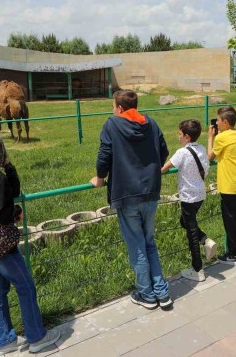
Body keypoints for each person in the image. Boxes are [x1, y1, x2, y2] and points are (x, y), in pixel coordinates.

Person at [0, 130, 60, 354]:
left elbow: (11, 191)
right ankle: (37, 337)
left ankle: (3, 340)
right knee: (26, 286)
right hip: (2, 244)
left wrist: (10, 167)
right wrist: (16, 212)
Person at [90, 90, 172, 310]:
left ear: (119, 108)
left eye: (113, 106)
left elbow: (104, 155)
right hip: (151, 191)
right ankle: (162, 292)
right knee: (149, 242)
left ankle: (146, 294)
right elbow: (163, 152)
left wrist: (99, 179)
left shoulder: (112, 124)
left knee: (137, 245)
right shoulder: (151, 124)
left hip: (126, 194)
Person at [161, 119, 217, 282]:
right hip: (200, 195)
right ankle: (206, 240)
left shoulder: (182, 152)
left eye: (179, 134)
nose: (177, 136)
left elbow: (164, 168)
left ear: (186, 137)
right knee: (185, 221)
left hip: (188, 197)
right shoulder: (200, 149)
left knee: (191, 232)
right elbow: (206, 162)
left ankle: (197, 269)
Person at [207, 105, 236, 265]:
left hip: (229, 185)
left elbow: (210, 157)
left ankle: (234, 254)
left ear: (225, 122)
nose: (216, 123)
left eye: (218, 120)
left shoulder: (221, 138)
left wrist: (211, 137)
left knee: (229, 219)